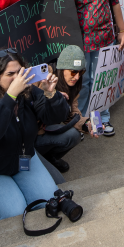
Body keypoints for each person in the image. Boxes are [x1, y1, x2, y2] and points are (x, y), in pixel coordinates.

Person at [0, 51, 69, 223]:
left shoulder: (29, 92)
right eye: (10, 74)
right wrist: (10, 96)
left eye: (20, 72)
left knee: (48, 201)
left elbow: (55, 118)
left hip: (20, 159)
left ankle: (12, 191)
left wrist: (51, 94)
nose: (18, 78)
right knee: (15, 214)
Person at [53, 0, 124, 136]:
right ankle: (83, 119)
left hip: (105, 36)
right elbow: (59, 6)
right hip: (78, 40)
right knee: (82, 80)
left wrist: (122, 30)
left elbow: (115, 2)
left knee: (102, 79)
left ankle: (103, 117)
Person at [35, 45, 86, 173]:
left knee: (74, 135)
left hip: (46, 128)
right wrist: (51, 95)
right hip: (31, 133)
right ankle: (38, 159)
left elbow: (72, 113)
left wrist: (86, 124)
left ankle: (49, 158)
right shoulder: (42, 77)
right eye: (73, 72)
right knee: (57, 181)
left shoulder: (74, 84)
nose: (77, 77)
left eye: (81, 72)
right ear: (62, 68)